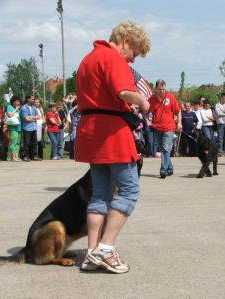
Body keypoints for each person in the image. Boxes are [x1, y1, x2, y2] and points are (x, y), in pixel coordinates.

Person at [76, 21, 151, 273]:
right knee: (129, 190)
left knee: (100, 194)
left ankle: (91, 252)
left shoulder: (88, 59)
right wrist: (141, 100)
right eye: (135, 53)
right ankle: (106, 249)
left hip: (91, 128)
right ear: (126, 41)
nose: (132, 60)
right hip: (111, 131)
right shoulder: (113, 58)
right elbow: (123, 92)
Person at [147, 79, 181, 179]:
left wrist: (179, 123)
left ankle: (163, 169)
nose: (162, 91)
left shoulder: (170, 97)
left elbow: (178, 111)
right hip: (156, 128)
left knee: (166, 147)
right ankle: (170, 168)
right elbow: (145, 112)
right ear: (156, 89)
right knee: (163, 149)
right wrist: (147, 121)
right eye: (160, 89)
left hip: (169, 127)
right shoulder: (151, 99)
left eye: (163, 89)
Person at [19, 95, 41, 161]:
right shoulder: (23, 108)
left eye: (34, 99)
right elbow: (26, 119)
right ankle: (26, 156)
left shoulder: (34, 107)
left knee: (34, 142)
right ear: (28, 99)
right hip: (26, 128)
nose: (33, 100)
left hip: (34, 127)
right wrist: (34, 118)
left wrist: (31, 117)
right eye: (32, 99)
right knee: (26, 143)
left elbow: (39, 116)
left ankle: (34, 156)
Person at [6, 96, 22, 162]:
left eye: (19, 101)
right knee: (13, 142)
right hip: (13, 128)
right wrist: (16, 109)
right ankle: (12, 157)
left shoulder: (18, 108)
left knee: (17, 143)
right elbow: (9, 115)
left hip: (18, 127)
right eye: (17, 101)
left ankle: (16, 156)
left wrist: (17, 109)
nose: (18, 102)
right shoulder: (9, 107)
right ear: (13, 101)